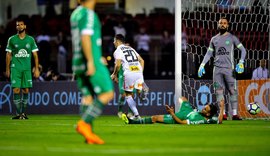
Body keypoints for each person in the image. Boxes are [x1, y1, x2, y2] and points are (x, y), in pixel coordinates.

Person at [70, 0, 114, 144]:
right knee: (108, 93)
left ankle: (88, 135)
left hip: (78, 60)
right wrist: (91, 60)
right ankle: (84, 123)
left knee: (88, 97)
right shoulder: (88, 14)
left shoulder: (75, 14)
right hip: (90, 60)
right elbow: (85, 37)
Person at [198, 17, 247, 120]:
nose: (223, 25)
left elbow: (243, 50)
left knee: (232, 91)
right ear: (218, 25)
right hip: (217, 70)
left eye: (225, 23)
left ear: (228, 25)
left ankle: (234, 114)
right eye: (221, 23)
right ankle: (223, 114)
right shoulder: (214, 39)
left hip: (229, 69)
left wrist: (241, 62)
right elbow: (209, 53)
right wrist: (202, 64)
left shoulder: (232, 38)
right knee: (219, 92)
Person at [5, 17, 40, 119]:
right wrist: (7, 69)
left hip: (26, 69)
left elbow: (35, 55)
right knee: (16, 90)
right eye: (17, 25)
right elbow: (8, 55)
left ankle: (23, 113)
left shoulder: (30, 40)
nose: (19, 26)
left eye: (21, 24)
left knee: (25, 90)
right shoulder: (12, 39)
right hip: (15, 68)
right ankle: (18, 113)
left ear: (25, 26)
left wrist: (37, 68)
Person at [111, 34, 145, 119]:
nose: (113, 42)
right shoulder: (131, 48)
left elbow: (118, 65)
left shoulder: (117, 51)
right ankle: (141, 91)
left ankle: (136, 115)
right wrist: (140, 72)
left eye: (114, 40)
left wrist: (114, 74)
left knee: (128, 95)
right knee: (133, 94)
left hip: (129, 73)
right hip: (138, 72)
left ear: (117, 41)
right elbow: (142, 61)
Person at [122, 97, 224, 125]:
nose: (203, 108)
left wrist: (172, 113)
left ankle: (132, 121)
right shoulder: (208, 116)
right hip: (188, 110)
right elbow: (219, 121)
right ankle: (182, 108)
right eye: (204, 107)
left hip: (177, 117)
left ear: (208, 114)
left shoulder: (200, 120)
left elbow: (181, 122)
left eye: (205, 109)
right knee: (183, 98)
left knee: (155, 118)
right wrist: (222, 107)